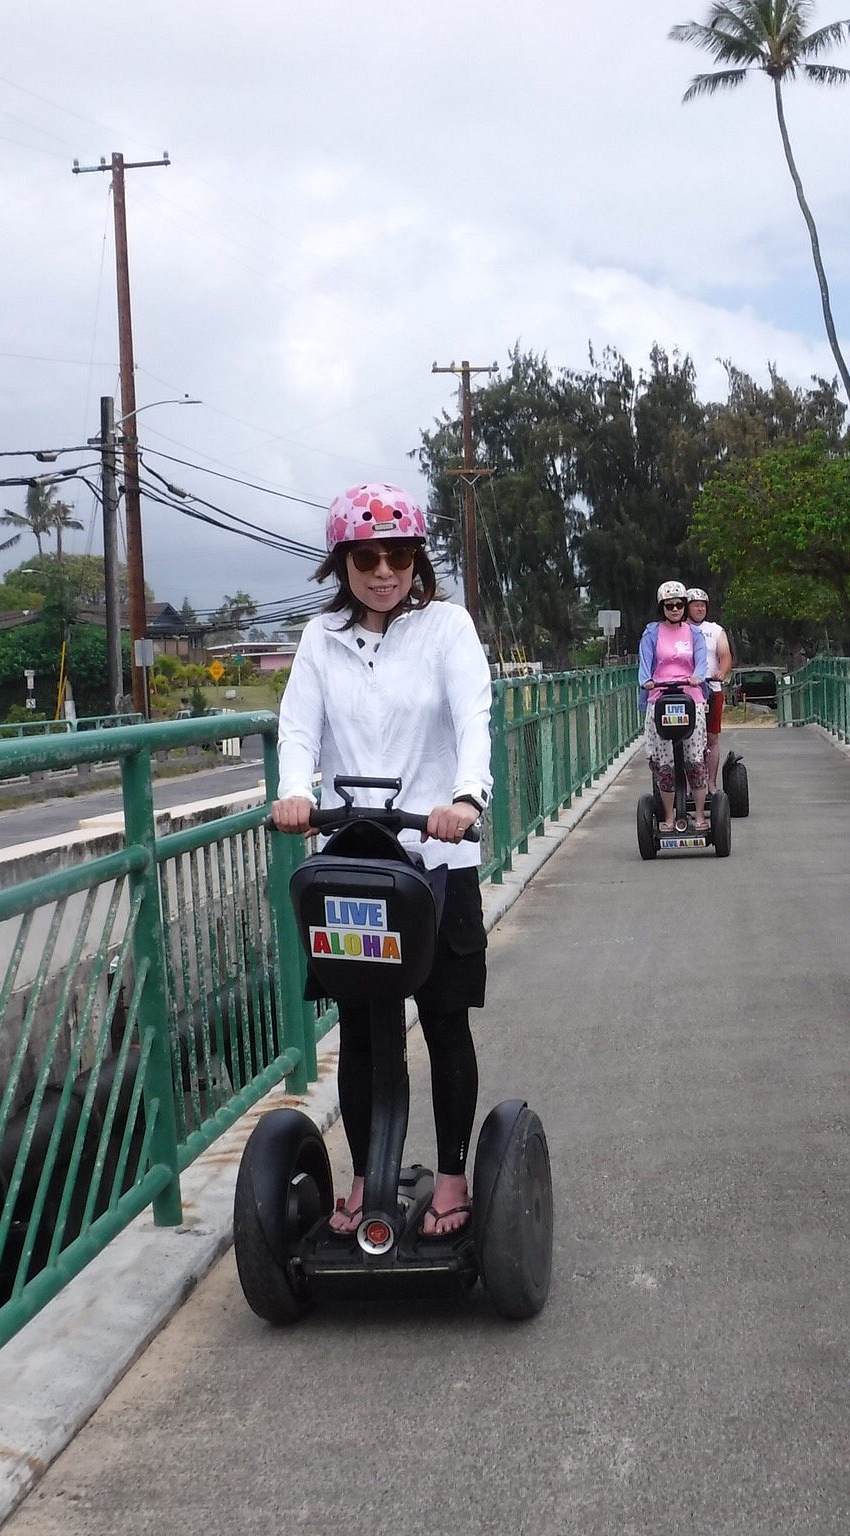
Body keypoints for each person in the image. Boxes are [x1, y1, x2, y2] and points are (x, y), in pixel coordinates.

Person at [272, 483, 493, 1240]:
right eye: (368, 557)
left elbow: (472, 716)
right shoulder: (319, 638)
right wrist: (294, 794)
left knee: (442, 1018)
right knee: (364, 1026)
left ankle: (455, 1175)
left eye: (399, 555)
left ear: (415, 559)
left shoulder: (447, 628)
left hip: (436, 856)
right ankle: (368, 1176)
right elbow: (298, 729)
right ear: (344, 561)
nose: (384, 571)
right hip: (353, 863)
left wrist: (465, 798)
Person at [637, 580, 710, 832]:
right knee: (665, 763)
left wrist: (698, 676)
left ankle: (699, 815)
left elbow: (701, 661)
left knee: (693, 758)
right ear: (662, 608)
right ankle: (669, 816)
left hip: (690, 698)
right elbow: (644, 665)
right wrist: (646, 681)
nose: (676, 609)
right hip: (660, 698)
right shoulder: (651, 634)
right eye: (670, 606)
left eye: (680, 605)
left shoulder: (694, 634)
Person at [686, 587, 732, 783]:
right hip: (686, 691)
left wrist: (722, 671)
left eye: (703, 605)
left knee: (711, 738)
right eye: (695, 605)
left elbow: (725, 655)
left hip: (712, 689)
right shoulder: (680, 630)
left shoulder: (715, 630)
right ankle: (686, 785)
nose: (699, 609)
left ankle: (711, 783)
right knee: (685, 739)